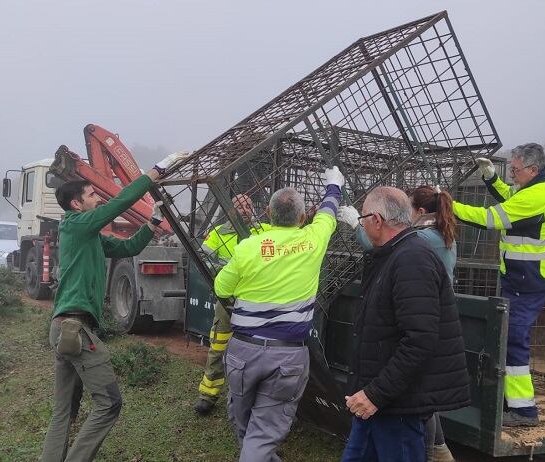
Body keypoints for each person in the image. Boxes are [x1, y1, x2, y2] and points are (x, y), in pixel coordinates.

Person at [40, 151, 190, 462]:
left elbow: (129, 247)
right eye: (92, 194)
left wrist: (153, 222)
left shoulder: (89, 236)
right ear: (76, 204)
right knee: (109, 402)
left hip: (68, 329)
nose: (98, 198)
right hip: (74, 329)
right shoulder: (76, 225)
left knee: (64, 411)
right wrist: (155, 172)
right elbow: (120, 203)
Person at [214, 166, 344, 462]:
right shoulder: (313, 240)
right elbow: (327, 213)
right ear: (302, 219)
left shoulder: (249, 247)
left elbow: (222, 287)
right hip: (286, 357)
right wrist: (333, 185)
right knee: (262, 434)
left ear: (268, 216)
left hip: (242, 351)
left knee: (243, 422)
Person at [340, 186, 470, 462]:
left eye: (363, 219)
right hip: (374, 402)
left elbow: (420, 340)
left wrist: (376, 394)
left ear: (376, 220)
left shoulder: (411, 259)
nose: (362, 225)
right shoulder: (392, 254)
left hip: (395, 406)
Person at [452, 143, 545, 427]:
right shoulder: (533, 187)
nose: (512, 175)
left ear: (532, 169)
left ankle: (525, 411)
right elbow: (509, 195)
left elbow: (491, 218)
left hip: (529, 279)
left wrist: (449, 206)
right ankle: (510, 400)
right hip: (519, 276)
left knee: (513, 338)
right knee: (507, 337)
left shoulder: (536, 195)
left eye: (515, 170)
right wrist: (490, 177)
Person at [194, 194, 271, 415]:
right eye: (239, 206)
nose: (245, 209)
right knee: (218, 345)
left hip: (256, 300)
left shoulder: (264, 230)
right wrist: (228, 268)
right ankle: (208, 394)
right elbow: (202, 258)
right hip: (227, 300)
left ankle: (251, 396)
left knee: (256, 349)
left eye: (248, 205)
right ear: (230, 210)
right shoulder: (218, 234)